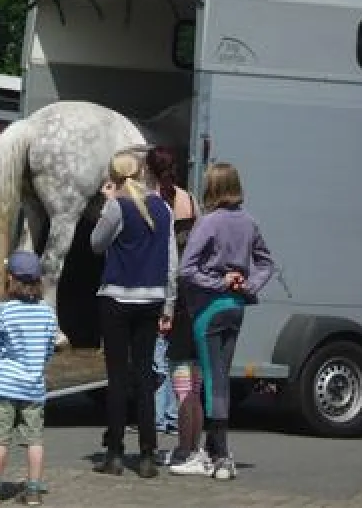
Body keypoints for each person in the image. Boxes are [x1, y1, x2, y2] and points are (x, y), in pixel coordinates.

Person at [179, 162, 274, 481]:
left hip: (210, 309)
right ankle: (211, 450)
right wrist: (246, 285)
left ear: (213, 188)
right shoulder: (249, 222)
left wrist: (218, 282)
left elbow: (186, 270)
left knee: (212, 379)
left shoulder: (207, 223)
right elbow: (266, 263)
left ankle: (220, 456)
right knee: (221, 378)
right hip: (236, 307)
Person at [90, 151, 177, 479]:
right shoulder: (163, 208)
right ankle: (147, 454)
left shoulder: (117, 206)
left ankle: (113, 452)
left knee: (117, 376)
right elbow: (171, 262)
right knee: (144, 375)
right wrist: (169, 304)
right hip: (152, 297)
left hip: (116, 296)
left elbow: (96, 244)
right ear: (141, 173)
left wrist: (107, 203)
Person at [0, 251, 58, 506]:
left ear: (10, 278)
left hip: (4, 384)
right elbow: (49, 348)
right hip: (33, 387)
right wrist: (38, 365)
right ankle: (33, 489)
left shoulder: (3, 311)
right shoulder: (47, 312)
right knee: (34, 440)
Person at [144, 146, 196, 439]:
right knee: (179, 356)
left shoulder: (151, 204)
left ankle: (159, 417)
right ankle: (175, 415)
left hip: (160, 282)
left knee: (158, 357)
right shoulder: (188, 200)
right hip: (185, 286)